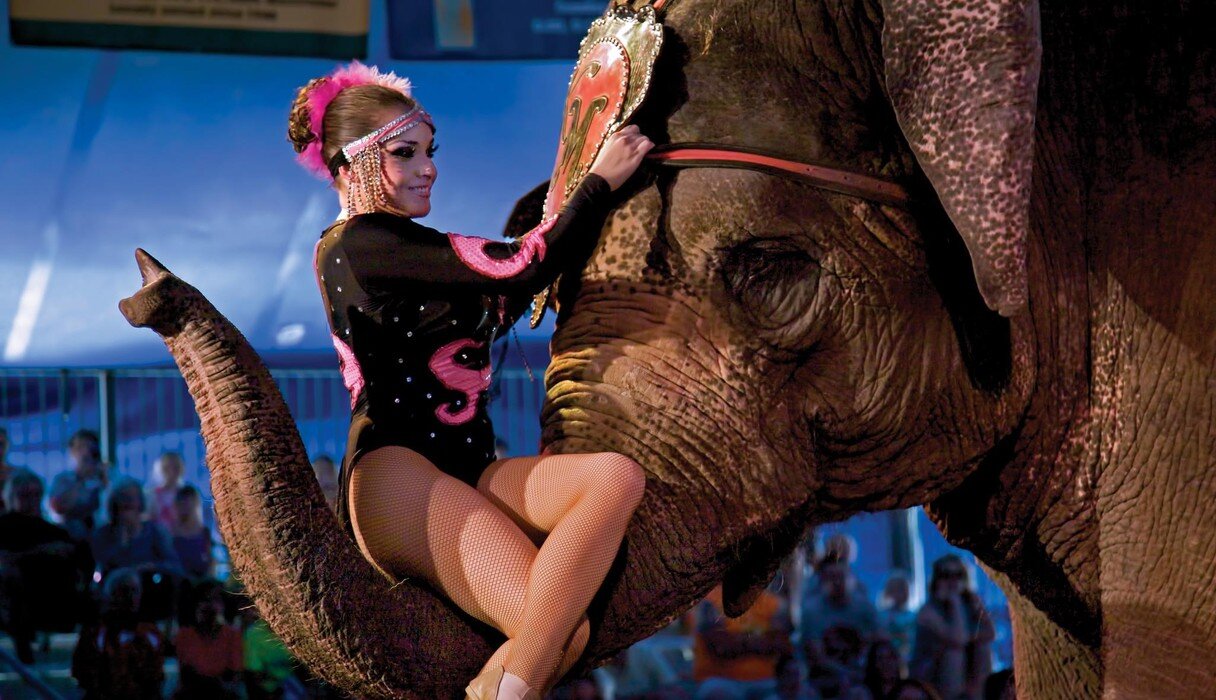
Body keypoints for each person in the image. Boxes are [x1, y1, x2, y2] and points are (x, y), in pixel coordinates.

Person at [288, 61, 651, 700]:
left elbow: (508, 289)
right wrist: (597, 184)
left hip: (470, 470)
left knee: (615, 481)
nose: (428, 168)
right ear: (350, 165)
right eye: (405, 153)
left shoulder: (408, 253)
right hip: (395, 476)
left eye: (430, 151)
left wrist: (566, 206)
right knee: (555, 631)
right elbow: (517, 266)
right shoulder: (356, 243)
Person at [0, 469, 93, 663]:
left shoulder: (51, 530)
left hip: (52, 593)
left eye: (36, 495)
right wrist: (41, 552)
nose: (32, 501)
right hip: (17, 595)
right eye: (25, 495)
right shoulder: (3, 528)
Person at [72, 568, 166, 699]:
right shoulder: (95, 633)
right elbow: (82, 673)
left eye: (135, 591)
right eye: (125, 591)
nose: (130, 597)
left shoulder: (150, 634)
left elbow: (155, 677)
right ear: (111, 595)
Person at [910, 556, 995, 700]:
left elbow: (990, 633)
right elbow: (958, 640)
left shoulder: (971, 601)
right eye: (946, 575)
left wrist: (970, 635)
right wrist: (955, 601)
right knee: (953, 653)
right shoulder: (928, 611)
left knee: (983, 649)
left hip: (965, 673)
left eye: (958, 575)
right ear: (937, 579)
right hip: (931, 674)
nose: (953, 581)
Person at [691, 584, 791, 700]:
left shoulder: (775, 603)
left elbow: (782, 645)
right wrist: (761, 641)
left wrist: (738, 640)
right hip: (721, 680)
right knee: (718, 693)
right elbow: (722, 648)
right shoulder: (710, 600)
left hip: (766, 682)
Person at [174, 579, 243, 699]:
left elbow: (234, 674)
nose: (209, 606)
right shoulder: (184, 635)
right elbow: (185, 674)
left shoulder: (232, 635)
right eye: (204, 600)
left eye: (215, 600)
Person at [49, 429, 110, 538]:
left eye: (90, 448)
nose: (85, 453)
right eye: (80, 447)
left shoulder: (106, 475)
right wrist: (81, 479)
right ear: (71, 451)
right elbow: (59, 508)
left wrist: (104, 479)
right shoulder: (63, 480)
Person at [170, 484, 215, 580]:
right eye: (182, 504)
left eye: (188, 504)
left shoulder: (205, 533)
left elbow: (211, 561)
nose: (185, 508)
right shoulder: (171, 534)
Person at [877, 572, 916, 663]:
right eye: (898, 590)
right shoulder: (882, 616)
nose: (902, 593)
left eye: (904, 590)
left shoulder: (913, 617)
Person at [148, 451, 188, 529]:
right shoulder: (152, 495)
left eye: (176, 467)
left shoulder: (189, 494)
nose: (171, 471)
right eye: (167, 468)